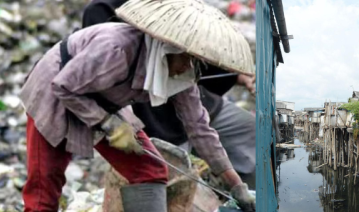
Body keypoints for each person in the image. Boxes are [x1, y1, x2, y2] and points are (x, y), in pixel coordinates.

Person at [7, 0, 255, 212]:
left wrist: (236, 185)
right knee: (43, 191)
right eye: (187, 59)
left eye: (195, 62)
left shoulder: (182, 73)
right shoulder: (117, 48)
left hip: (105, 100)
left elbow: (200, 129)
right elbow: (64, 86)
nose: (189, 67)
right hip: (55, 91)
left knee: (150, 170)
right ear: (170, 48)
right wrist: (108, 124)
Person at [80, 0, 256, 185]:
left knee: (252, 133)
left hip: (196, 101)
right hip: (149, 119)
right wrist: (118, 123)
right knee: (173, 180)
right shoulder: (105, 14)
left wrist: (234, 76)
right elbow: (98, 84)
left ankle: (250, 196)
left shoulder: (174, 8)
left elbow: (194, 57)